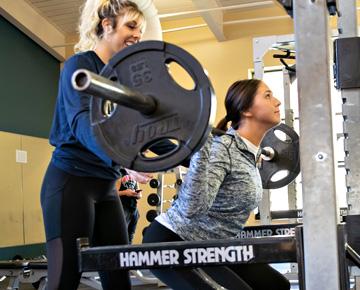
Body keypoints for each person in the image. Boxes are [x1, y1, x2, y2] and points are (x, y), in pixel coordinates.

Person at [39, 1, 171, 289]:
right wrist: (128, 159)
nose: (138, 35)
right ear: (106, 24)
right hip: (71, 184)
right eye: (132, 26)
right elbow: (83, 125)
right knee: (64, 281)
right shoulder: (80, 66)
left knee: (118, 279)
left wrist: (195, 152)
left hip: (106, 188)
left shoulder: (126, 80)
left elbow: (149, 131)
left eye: (141, 29)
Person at [143, 79, 290, 290]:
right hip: (174, 242)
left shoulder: (249, 154)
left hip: (215, 246)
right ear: (246, 110)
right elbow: (191, 209)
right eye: (267, 95)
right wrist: (200, 146)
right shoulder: (222, 150)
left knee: (276, 286)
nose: (277, 102)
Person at [117, 169, 153, 242]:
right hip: (123, 208)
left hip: (133, 209)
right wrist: (125, 192)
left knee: (131, 235)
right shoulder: (119, 173)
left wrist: (138, 194)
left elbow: (139, 194)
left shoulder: (134, 175)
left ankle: (129, 251)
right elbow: (113, 192)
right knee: (122, 235)